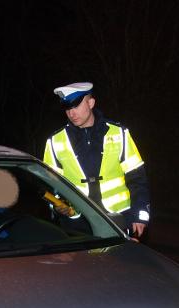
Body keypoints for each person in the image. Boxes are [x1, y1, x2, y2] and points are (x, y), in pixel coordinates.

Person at [42, 82, 150, 239]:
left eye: (76, 106)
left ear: (91, 103)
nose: (72, 113)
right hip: (76, 226)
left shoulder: (120, 133)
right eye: (67, 108)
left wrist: (140, 216)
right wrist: (57, 205)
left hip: (118, 221)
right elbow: (50, 185)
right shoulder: (55, 141)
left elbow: (138, 178)